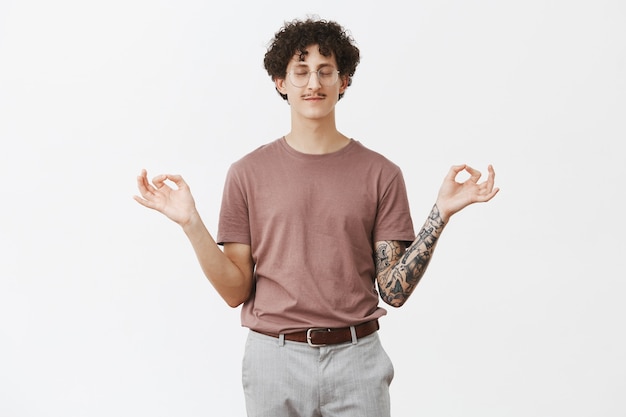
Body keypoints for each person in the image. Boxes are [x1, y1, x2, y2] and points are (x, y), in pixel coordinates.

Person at [134, 17, 499, 417]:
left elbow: (393, 291)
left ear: (344, 82)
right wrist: (191, 223)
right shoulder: (247, 174)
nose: (314, 83)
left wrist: (440, 214)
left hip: (358, 361)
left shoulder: (381, 174)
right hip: (274, 360)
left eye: (326, 72)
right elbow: (235, 290)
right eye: (301, 71)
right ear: (280, 81)